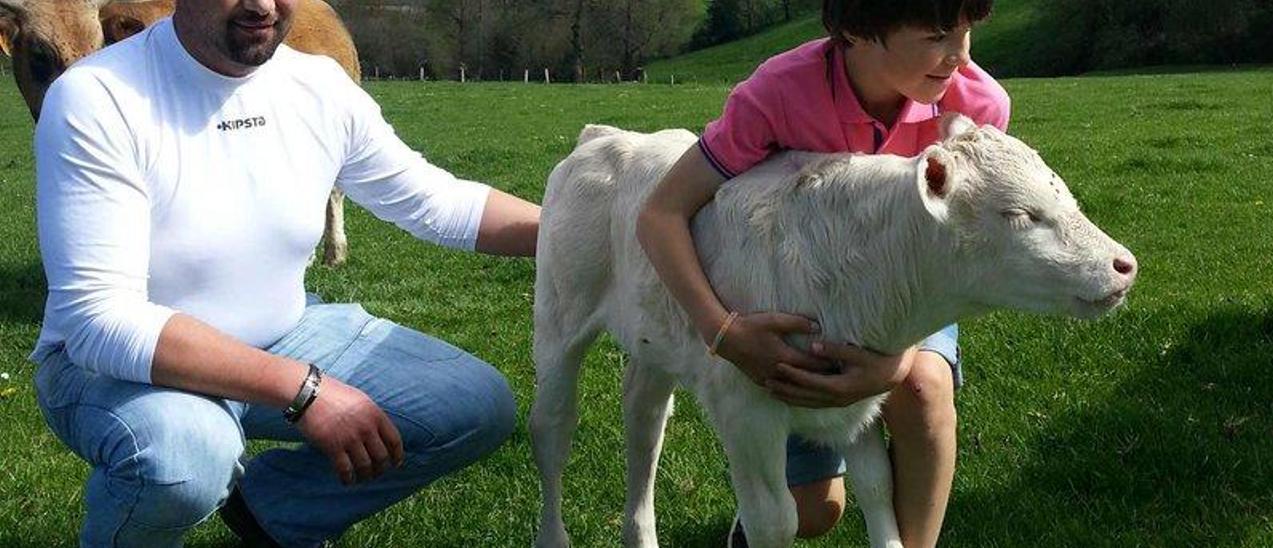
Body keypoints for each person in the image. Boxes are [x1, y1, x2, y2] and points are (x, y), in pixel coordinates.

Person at [29, 0, 540, 546]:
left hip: (285, 331)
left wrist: (597, 230)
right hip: (113, 367)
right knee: (185, 458)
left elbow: (438, 203)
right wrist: (304, 389)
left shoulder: (317, 84)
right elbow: (99, 321)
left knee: (475, 403)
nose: (263, 5)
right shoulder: (98, 95)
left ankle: (272, 514)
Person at [636, 0, 1009, 546]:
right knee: (815, 513)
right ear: (859, 28)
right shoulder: (780, 94)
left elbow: (956, 256)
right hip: (806, 311)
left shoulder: (977, 106)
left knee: (925, 388)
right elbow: (660, 214)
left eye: (968, 31)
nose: (960, 55)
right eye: (936, 36)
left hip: (907, 302)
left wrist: (892, 362)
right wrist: (723, 332)